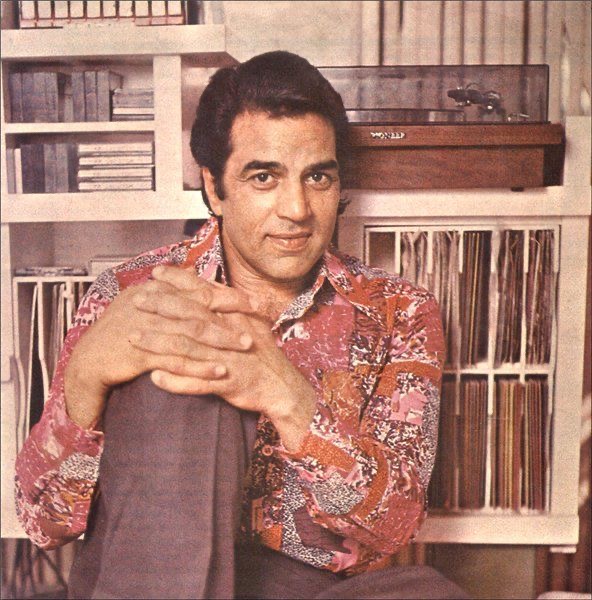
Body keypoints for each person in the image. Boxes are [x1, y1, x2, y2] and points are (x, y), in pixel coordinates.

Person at [14, 51, 468, 599]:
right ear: (214, 187)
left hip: (310, 588)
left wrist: (288, 397)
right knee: (177, 365)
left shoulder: (399, 310)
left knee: (431, 594)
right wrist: (86, 377)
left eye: (317, 177)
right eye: (264, 177)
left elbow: (394, 525)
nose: (297, 208)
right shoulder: (131, 293)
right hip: (150, 572)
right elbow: (44, 524)